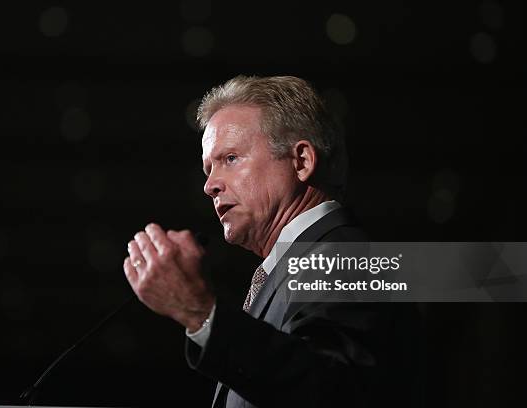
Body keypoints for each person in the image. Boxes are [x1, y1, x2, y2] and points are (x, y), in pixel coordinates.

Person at [123, 76, 420, 407]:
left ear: (301, 161)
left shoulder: (346, 255)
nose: (210, 186)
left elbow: (333, 392)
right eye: (209, 168)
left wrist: (201, 312)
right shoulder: (287, 269)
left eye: (230, 159)